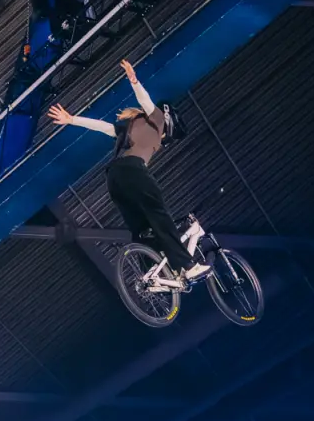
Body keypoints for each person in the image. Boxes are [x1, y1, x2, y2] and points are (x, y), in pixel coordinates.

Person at [46, 60, 208, 286]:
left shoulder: (129, 127)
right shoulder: (157, 121)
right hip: (132, 170)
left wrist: (72, 119)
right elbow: (145, 100)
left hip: (114, 179)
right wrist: (134, 80)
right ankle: (187, 266)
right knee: (159, 216)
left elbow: (102, 126)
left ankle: (151, 276)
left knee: (142, 230)